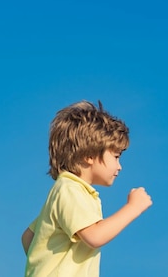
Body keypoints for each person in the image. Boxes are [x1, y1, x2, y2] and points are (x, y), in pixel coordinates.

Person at [21, 100, 152, 277]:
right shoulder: (71, 189)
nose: (119, 166)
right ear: (89, 155)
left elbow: (28, 237)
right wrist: (133, 207)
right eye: (115, 156)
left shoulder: (64, 191)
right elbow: (95, 236)